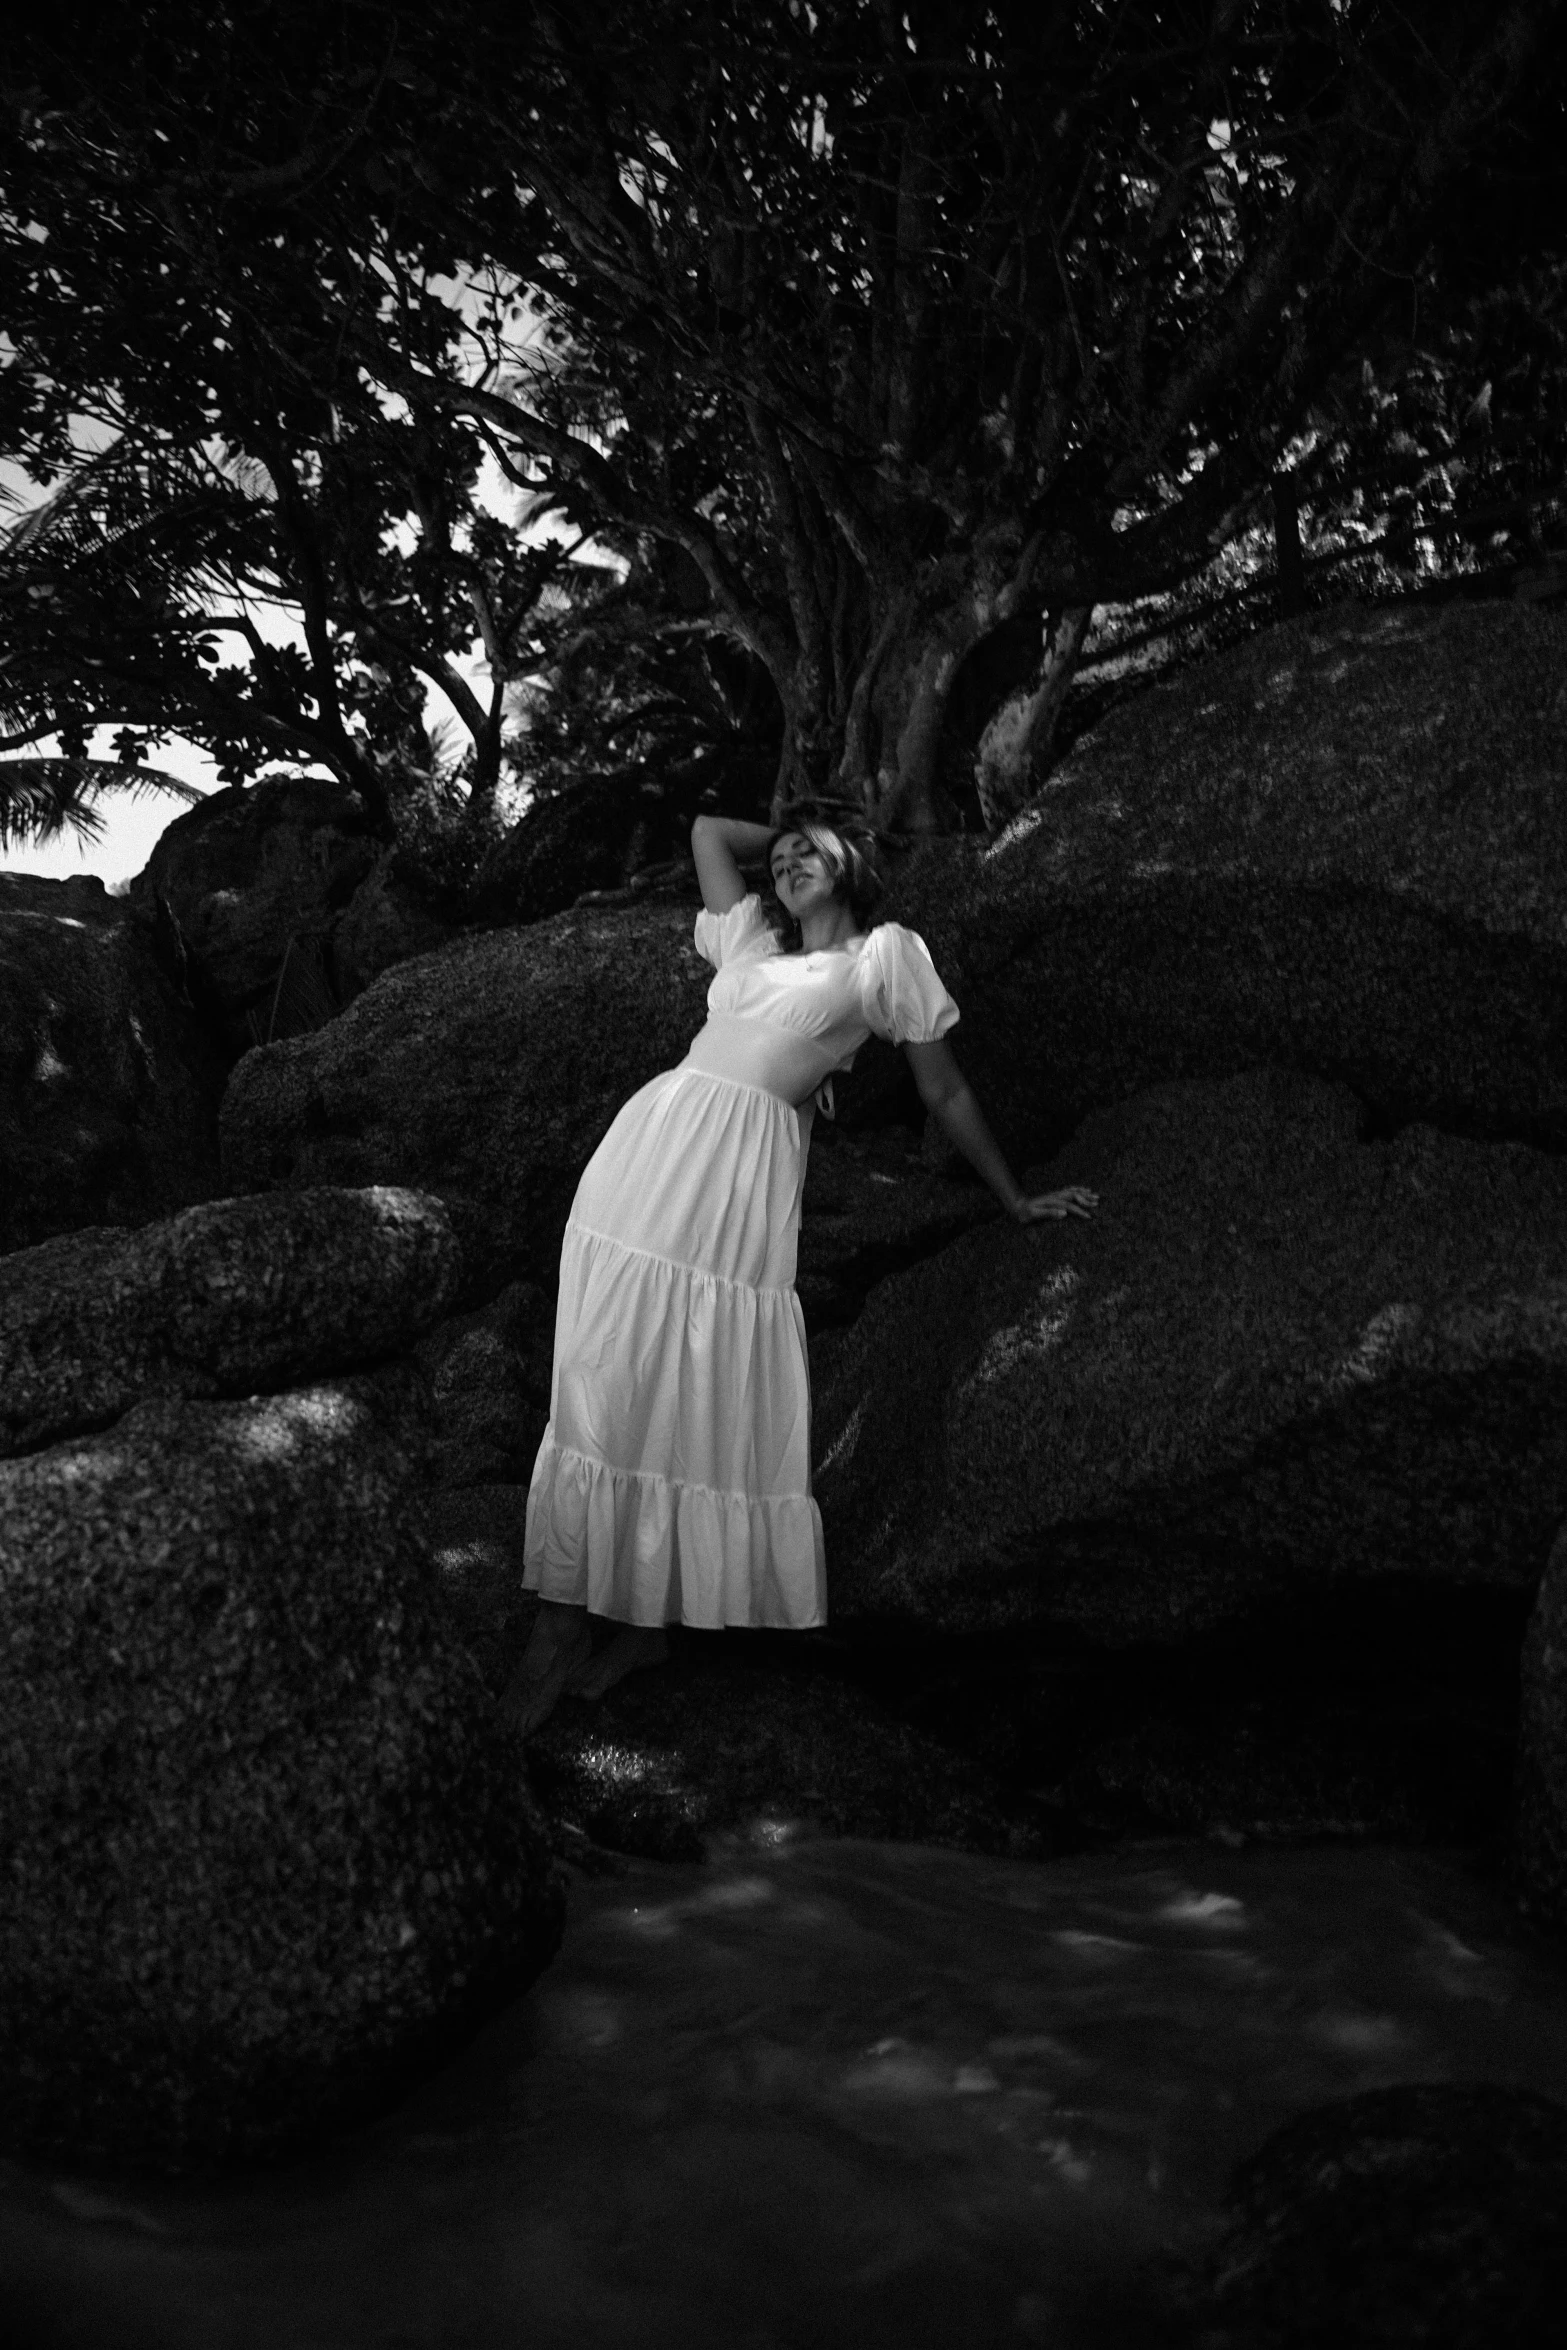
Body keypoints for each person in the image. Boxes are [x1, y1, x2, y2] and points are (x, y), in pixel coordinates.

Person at [502, 803, 1098, 1733]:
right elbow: (703, 831)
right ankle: (567, 1621)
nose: (782, 864)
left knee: (686, 1378)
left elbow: (942, 1086)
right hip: (646, 1157)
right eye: (776, 858)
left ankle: (632, 1623)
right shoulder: (746, 946)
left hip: (732, 1183)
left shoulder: (880, 960)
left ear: (850, 862)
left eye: (806, 855)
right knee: (600, 1365)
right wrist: (792, 827)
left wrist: (1013, 1198)